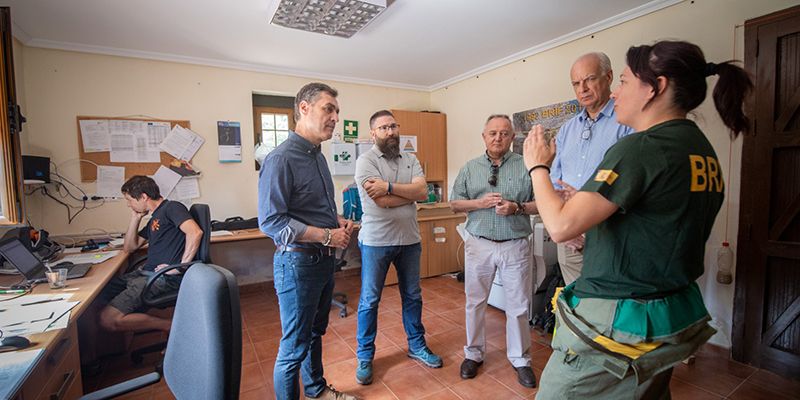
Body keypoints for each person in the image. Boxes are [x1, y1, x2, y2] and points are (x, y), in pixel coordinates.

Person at [524, 40, 752, 398]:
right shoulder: (699, 149)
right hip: (664, 315)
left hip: (619, 319)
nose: (616, 93)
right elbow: (653, 220)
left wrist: (538, 165)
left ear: (656, 87)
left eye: (625, 82)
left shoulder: (642, 147)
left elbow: (559, 226)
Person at [258, 82, 357, 400]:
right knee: (293, 347)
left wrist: (336, 221)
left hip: (322, 262)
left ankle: (315, 390)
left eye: (337, 111)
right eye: (328, 108)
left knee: (316, 333)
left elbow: (311, 209)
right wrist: (327, 235)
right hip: (298, 263)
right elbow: (272, 222)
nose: (335, 117)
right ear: (304, 107)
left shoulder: (318, 157)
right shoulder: (280, 159)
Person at [353, 110, 442, 385]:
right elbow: (382, 202)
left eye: (393, 126)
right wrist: (407, 194)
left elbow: (423, 193)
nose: (390, 131)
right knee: (370, 300)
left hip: (410, 241)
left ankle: (417, 346)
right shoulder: (365, 162)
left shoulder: (411, 158)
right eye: (383, 128)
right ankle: (365, 356)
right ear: (373, 134)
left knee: (413, 296)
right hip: (376, 242)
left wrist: (390, 187)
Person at [450, 114, 538, 388]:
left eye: (504, 133)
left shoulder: (528, 166)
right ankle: (473, 354)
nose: (498, 138)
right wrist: (479, 204)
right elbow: (454, 204)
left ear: (512, 137)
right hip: (479, 244)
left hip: (515, 245)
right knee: (475, 302)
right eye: (493, 133)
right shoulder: (470, 167)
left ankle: (520, 359)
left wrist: (518, 207)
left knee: (519, 306)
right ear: (484, 136)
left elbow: (543, 202)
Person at [550, 52, 633, 285]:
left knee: (606, 309)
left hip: (609, 234)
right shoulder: (567, 130)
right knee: (575, 306)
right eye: (576, 83)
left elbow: (630, 182)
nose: (582, 88)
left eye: (589, 79)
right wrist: (567, 227)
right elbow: (555, 181)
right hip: (570, 237)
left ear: (608, 77)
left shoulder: (626, 122)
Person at [99, 175, 202, 333]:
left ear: (143, 197)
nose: (128, 205)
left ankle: (171, 326)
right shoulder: (155, 218)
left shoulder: (172, 208)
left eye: (130, 200)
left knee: (108, 319)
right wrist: (135, 218)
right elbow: (129, 247)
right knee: (98, 295)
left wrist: (179, 267)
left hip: (162, 277)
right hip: (145, 274)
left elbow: (195, 232)